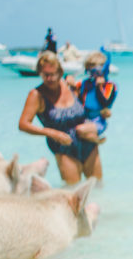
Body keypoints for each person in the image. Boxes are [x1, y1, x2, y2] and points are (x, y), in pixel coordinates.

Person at [17, 51, 103, 184]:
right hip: (63, 148)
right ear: (39, 73)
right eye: (45, 75)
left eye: (53, 74)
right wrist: (51, 133)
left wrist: (103, 115)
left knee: (98, 187)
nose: (49, 79)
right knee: (72, 192)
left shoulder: (70, 86)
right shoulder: (36, 95)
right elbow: (23, 124)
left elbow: (91, 104)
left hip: (88, 143)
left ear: (60, 72)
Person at [71, 47, 117, 143]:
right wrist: (72, 86)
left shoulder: (109, 86)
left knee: (79, 130)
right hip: (84, 118)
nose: (94, 76)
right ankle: (91, 138)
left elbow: (105, 103)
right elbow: (77, 100)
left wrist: (99, 87)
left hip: (98, 121)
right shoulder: (85, 83)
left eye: (97, 72)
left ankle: (96, 141)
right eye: (91, 72)